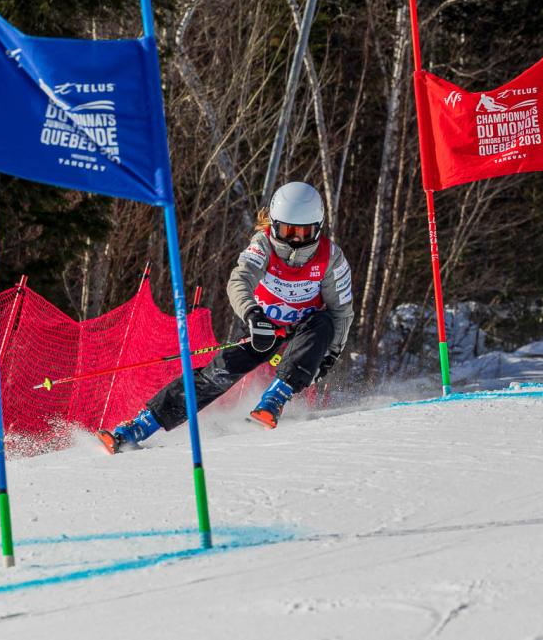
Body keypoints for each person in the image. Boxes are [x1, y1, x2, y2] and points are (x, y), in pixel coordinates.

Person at [99, 181, 354, 452]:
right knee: (217, 374)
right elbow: (238, 280)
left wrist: (331, 355)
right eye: (287, 230)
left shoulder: (331, 258)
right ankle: (141, 425)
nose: (295, 239)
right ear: (274, 224)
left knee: (324, 322)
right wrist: (253, 314)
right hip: (263, 327)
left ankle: (275, 398)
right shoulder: (263, 244)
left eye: (304, 232)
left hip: (306, 329)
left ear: (319, 227)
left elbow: (341, 310)